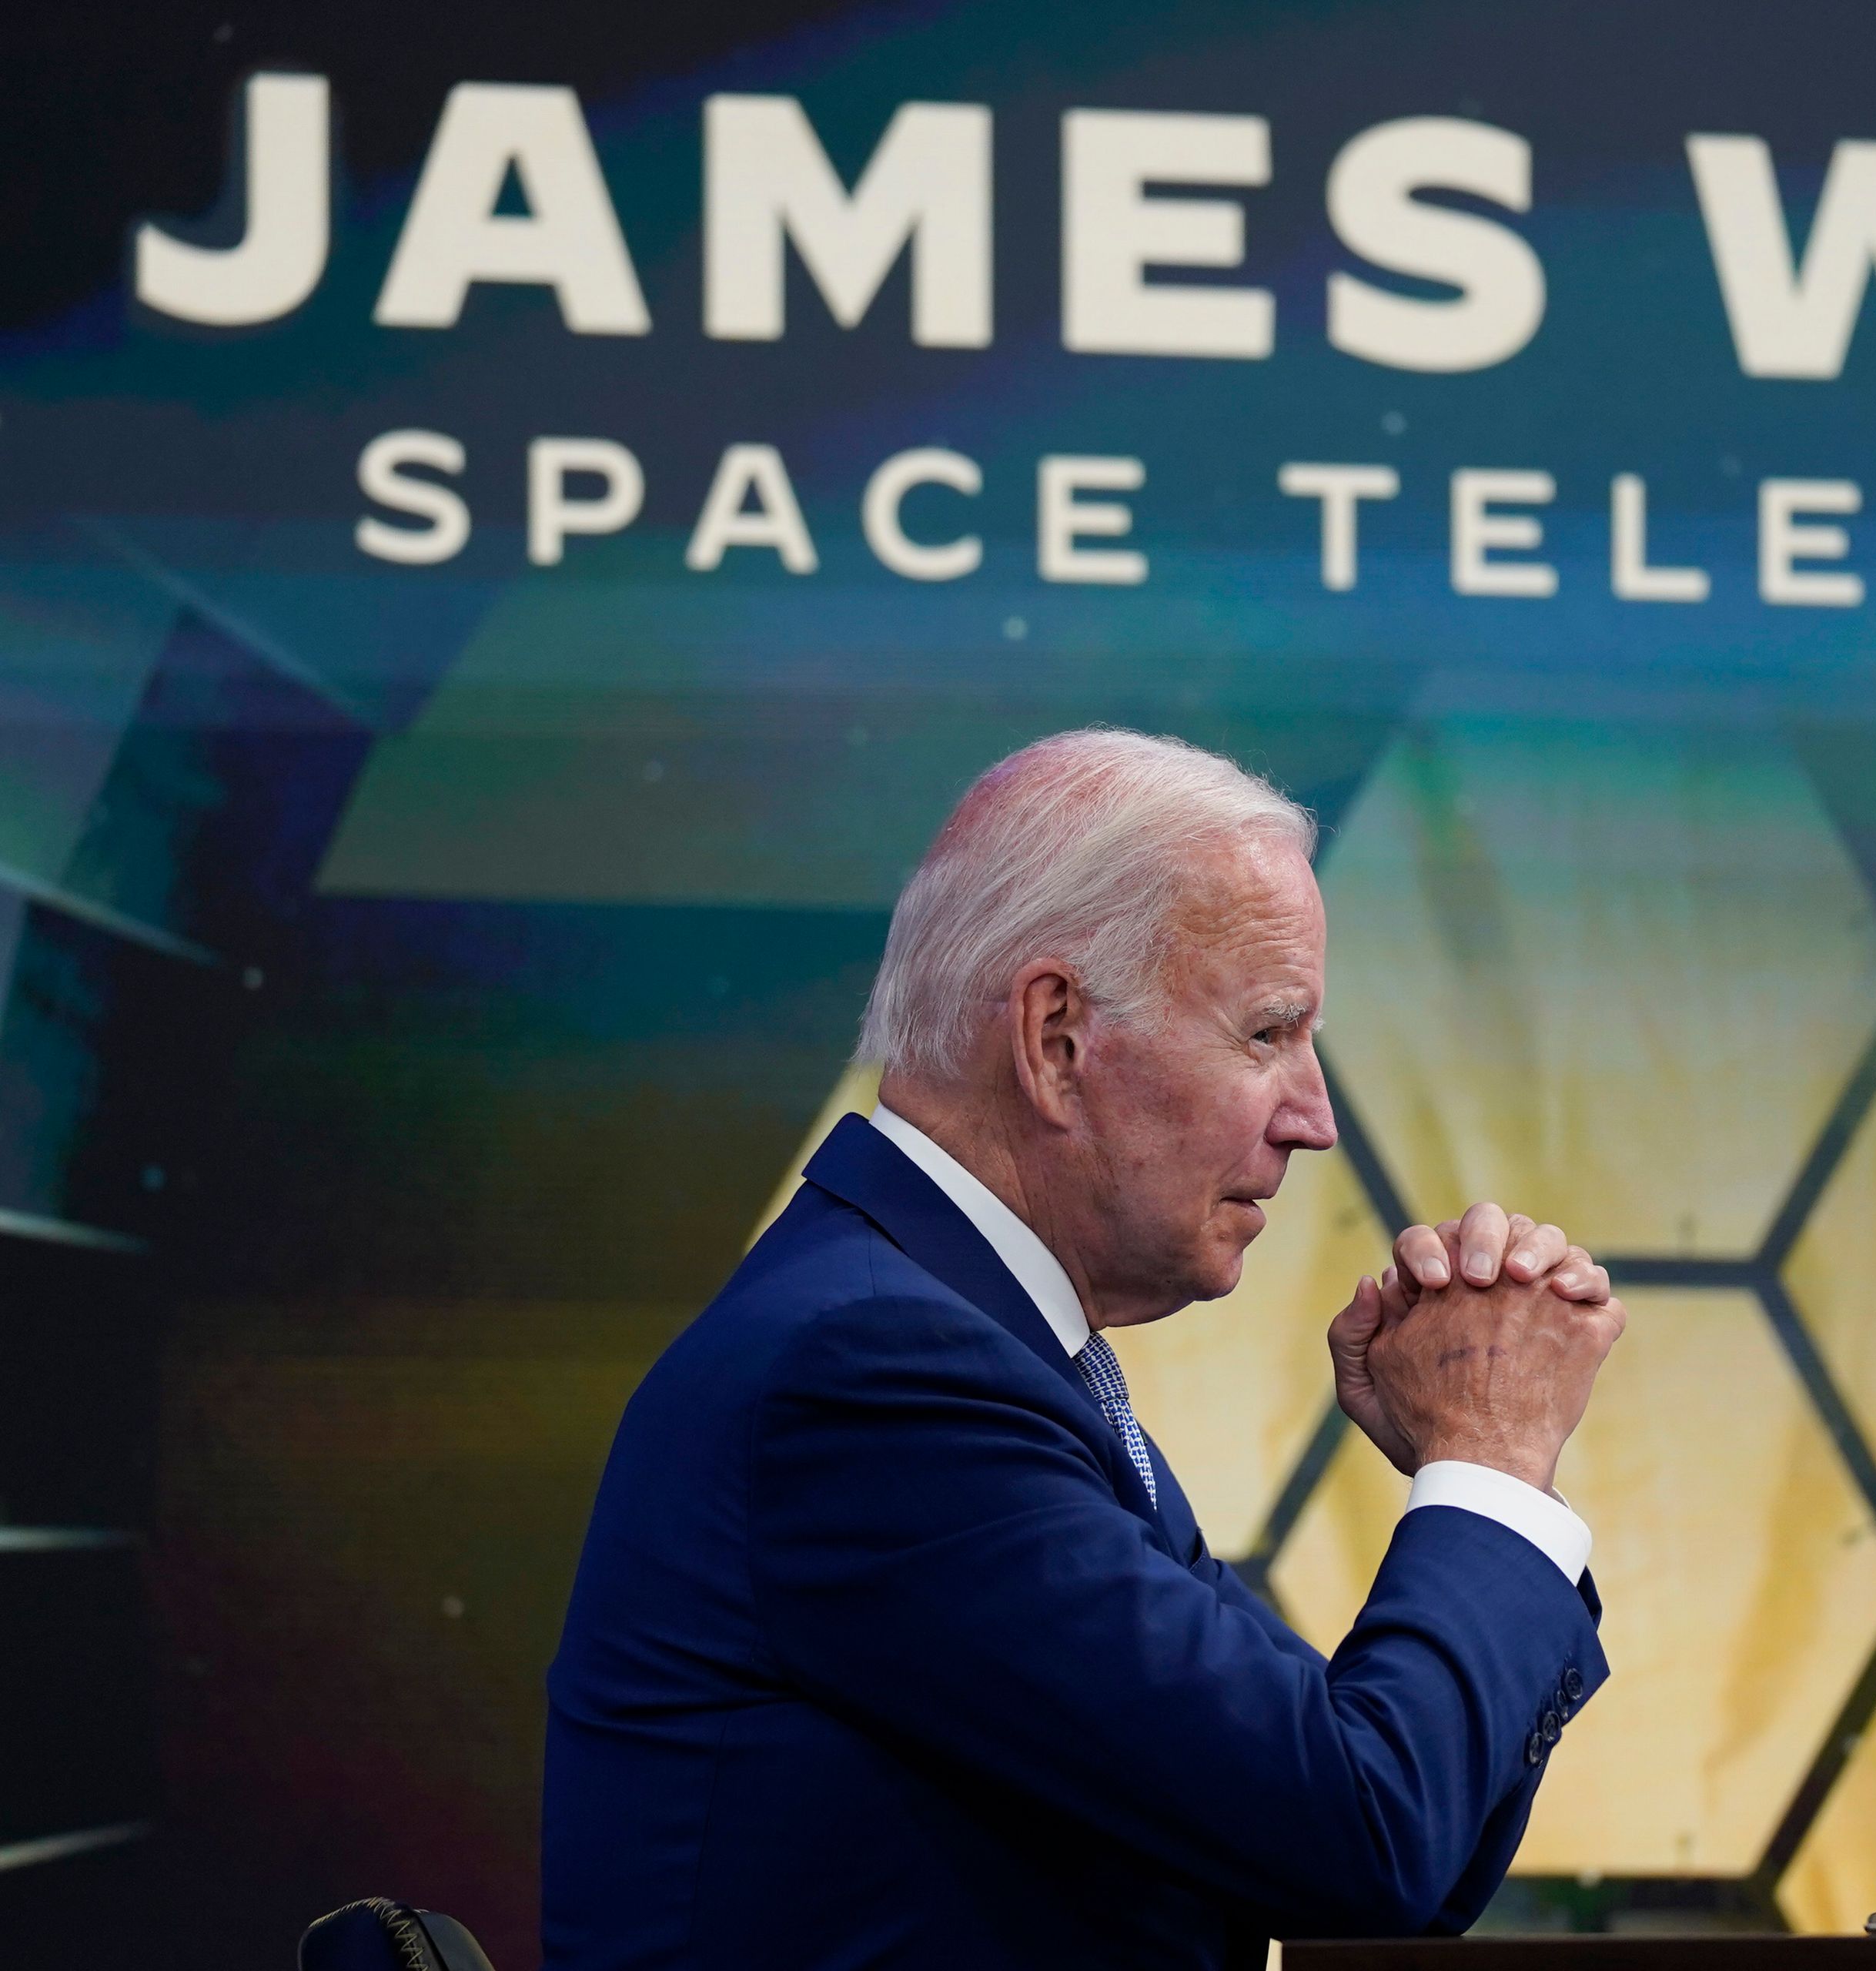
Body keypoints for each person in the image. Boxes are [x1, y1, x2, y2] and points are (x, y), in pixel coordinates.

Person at [543, 730, 1628, 1970]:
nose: (1313, 1118)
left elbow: (1387, 1854)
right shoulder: (876, 1380)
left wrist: (1484, 1476)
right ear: (1057, 1037)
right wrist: (1486, 1461)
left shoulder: (971, 1350)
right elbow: (1362, 1834)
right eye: (1268, 1035)